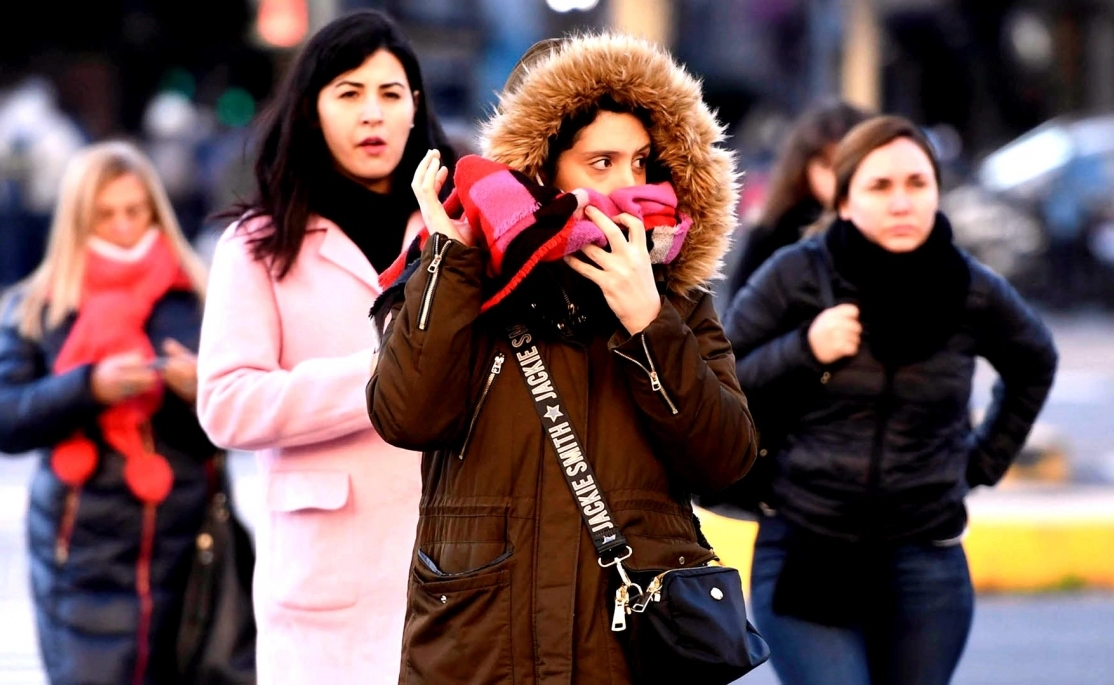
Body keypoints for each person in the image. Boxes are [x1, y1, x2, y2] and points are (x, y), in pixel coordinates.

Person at [367, 33, 757, 683]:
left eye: (642, 163)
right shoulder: (463, 283)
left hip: (627, 653)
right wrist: (452, 262)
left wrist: (648, 324)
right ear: (540, 170)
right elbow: (405, 415)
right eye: (600, 163)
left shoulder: (678, 304)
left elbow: (728, 463)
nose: (629, 187)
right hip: (483, 650)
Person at [723, 115, 1058, 685]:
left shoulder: (970, 287)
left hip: (924, 556)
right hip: (807, 547)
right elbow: (721, 382)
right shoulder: (796, 274)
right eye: (880, 187)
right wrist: (803, 348)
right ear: (846, 200)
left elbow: (1034, 361)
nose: (902, 202)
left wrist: (980, 464)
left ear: (936, 192)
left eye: (917, 184)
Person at [194, 10, 455, 684]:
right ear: (311, 109)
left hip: (461, 570)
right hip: (326, 583)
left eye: (390, 94)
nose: (373, 113)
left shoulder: (456, 232)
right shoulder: (255, 245)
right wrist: (378, 379)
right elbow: (225, 404)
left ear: (415, 109)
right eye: (349, 93)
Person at [0, 141, 218, 684]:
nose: (125, 228)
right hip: (80, 553)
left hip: (185, 544)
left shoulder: (199, 296)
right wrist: (87, 388)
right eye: (106, 215)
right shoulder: (37, 302)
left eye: (137, 211)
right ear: (78, 220)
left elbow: (232, 430)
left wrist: (202, 390)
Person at [726, 98, 870, 299]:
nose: (838, 179)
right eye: (827, 166)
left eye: (848, 165)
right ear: (803, 168)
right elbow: (739, 320)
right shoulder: (772, 236)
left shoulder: (886, 227)